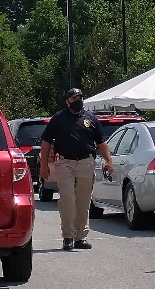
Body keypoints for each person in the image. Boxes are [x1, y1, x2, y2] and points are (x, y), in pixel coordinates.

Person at [40, 88, 113, 251]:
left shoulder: (90, 118)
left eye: (80, 97)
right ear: (68, 101)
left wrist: (109, 161)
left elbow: (101, 142)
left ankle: (80, 237)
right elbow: (45, 142)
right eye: (74, 98)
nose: (78, 100)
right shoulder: (58, 118)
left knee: (83, 201)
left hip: (86, 162)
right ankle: (68, 236)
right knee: (67, 199)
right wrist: (44, 166)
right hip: (65, 163)